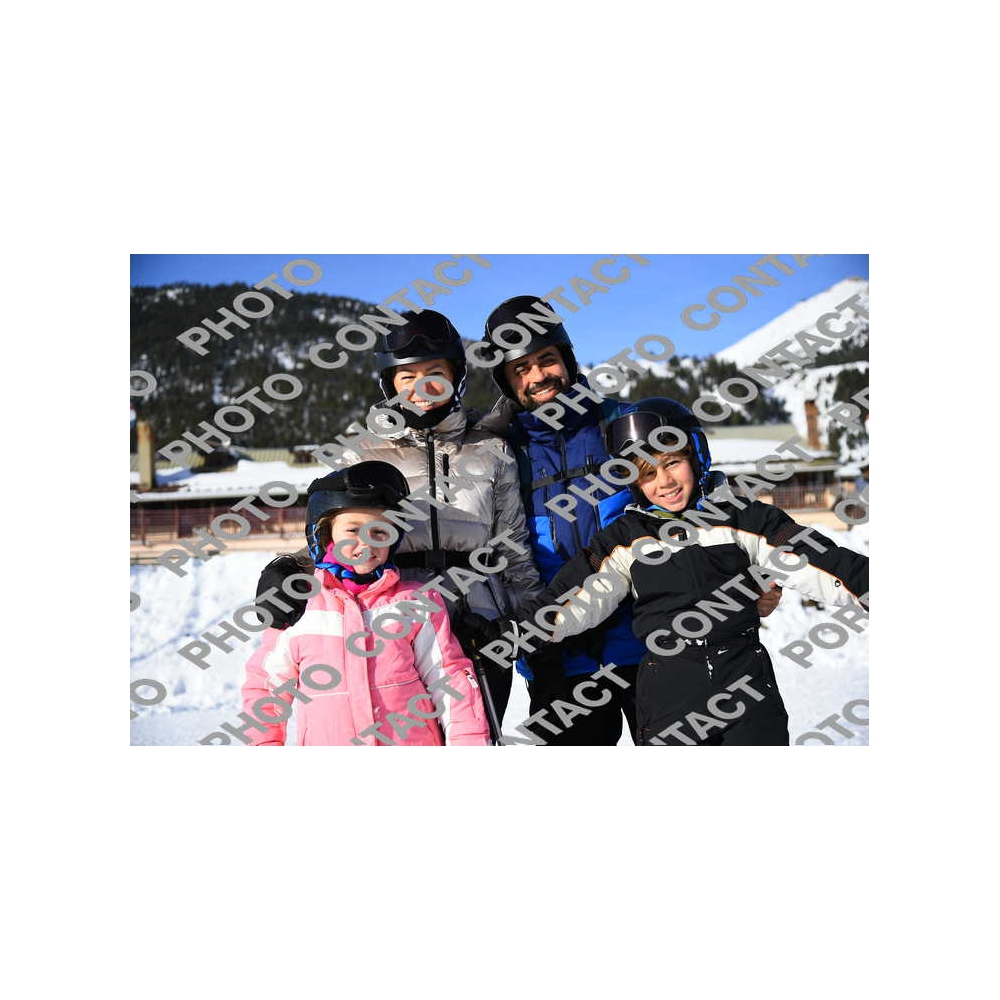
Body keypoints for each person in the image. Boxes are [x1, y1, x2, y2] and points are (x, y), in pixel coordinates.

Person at [468, 297, 782, 745]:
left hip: (653, 647)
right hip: (557, 655)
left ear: (567, 358)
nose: (537, 377)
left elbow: (702, 492)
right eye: (521, 369)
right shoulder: (500, 452)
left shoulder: (622, 425)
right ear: (505, 379)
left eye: (547, 360)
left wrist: (754, 570)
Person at [468, 398, 868, 746]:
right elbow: (572, 599)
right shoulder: (626, 539)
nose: (665, 482)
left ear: (696, 455)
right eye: (647, 473)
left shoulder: (743, 519)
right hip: (668, 697)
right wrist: (509, 632)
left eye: (672, 463)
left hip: (746, 689)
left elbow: (821, 562)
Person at [254, 309, 542, 736]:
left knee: (474, 740)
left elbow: (513, 548)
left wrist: (526, 627)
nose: (421, 387)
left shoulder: (491, 450)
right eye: (407, 377)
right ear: (390, 384)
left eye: (435, 373)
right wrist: (289, 568)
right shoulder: (362, 453)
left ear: (457, 377)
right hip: (393, 627)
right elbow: (337, 535)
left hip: (479, 629)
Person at [241, 463, 491, 746]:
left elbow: (449, 679)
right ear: (326, 535)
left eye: (380, 533)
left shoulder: (416, 603)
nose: (366, 543)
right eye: (352, 530)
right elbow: (266, 688)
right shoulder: (302, 606)